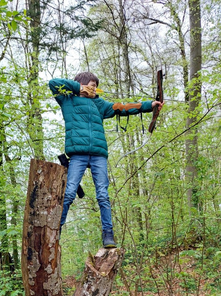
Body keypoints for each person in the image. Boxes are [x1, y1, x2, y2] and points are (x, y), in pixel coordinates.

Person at [49, 72, 164, 248]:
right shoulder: (67, 100)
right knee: (69, 192)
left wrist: (149, 105)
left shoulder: (99, 104)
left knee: (103, 194)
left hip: (98, 155)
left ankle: (108, 235)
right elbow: (53, 83)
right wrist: (77, 88)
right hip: (77, 155)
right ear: (80, 84)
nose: (93, 88)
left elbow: (122, 107)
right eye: (90, 85)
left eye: (95, 86)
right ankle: (56, 231)